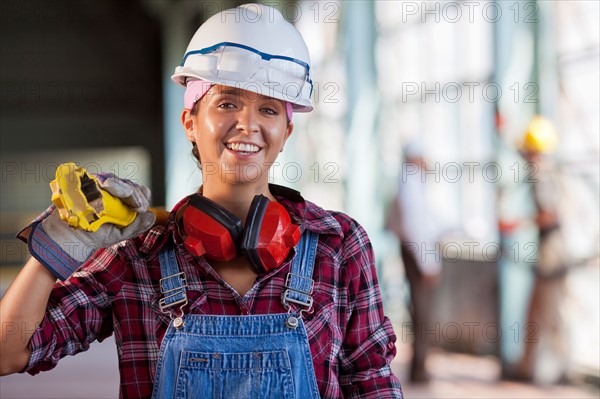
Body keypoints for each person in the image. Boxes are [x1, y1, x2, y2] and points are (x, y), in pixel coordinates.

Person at [0, 4, 403, 398]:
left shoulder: (338, 243)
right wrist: (59, 243)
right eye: (227, 103)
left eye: (268, 108)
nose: (248, 124)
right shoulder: (138, 255)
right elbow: (8, 352)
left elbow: (372, 382)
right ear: (190, 121)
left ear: (286, 132)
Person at [513, 116, 570, 384]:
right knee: (541, 309)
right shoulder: (546, 168)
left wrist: (516, 223)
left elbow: (549, 215)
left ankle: (545, 371)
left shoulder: (540, 173)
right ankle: (531, 367)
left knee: (546, 311)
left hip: (551, 250)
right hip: (552, 248)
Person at [385, 139, 444, 383]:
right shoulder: (411, 179)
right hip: (417, 254)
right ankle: (420, 369)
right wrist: (428, 264)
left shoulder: (410, 179)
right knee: (423, 311)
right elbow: (416, 226)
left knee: (421, 311)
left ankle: (420, 367)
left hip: (413, 252)